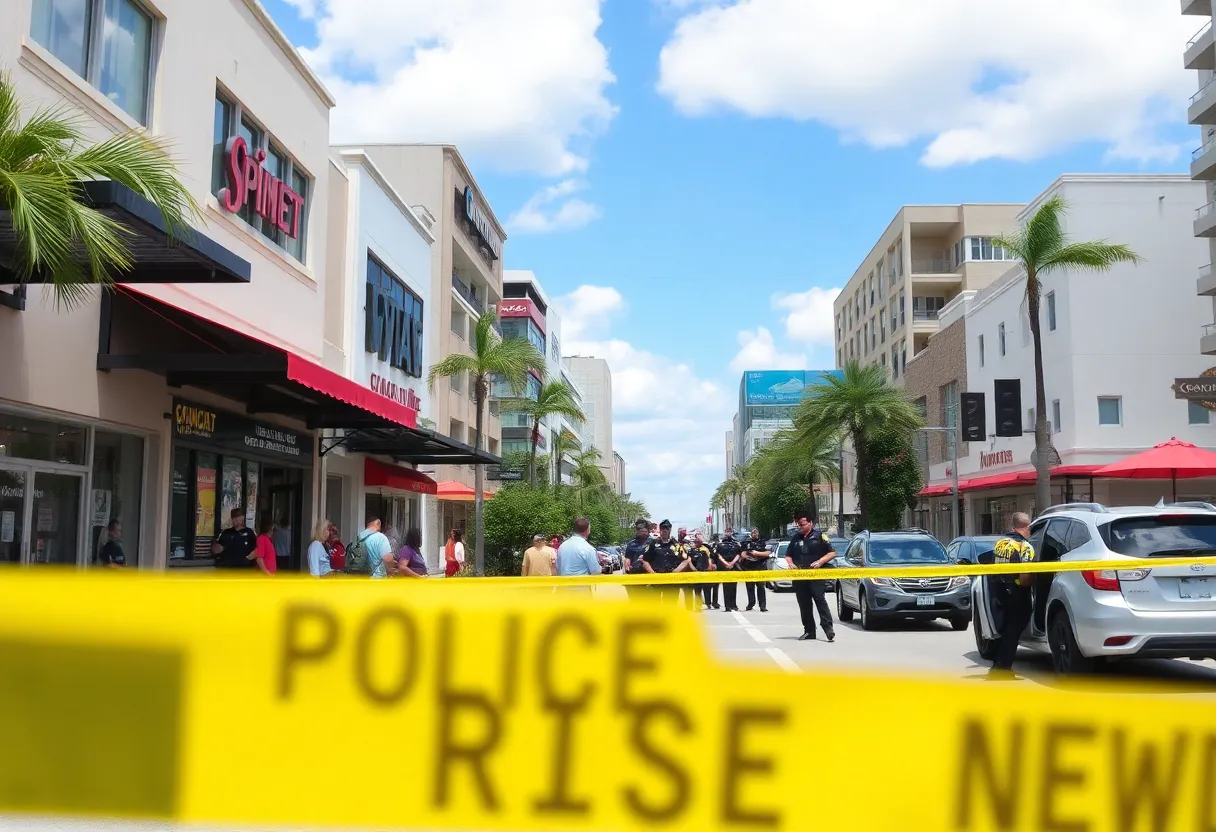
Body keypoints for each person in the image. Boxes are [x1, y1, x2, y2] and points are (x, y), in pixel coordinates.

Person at [990, 512, 1037, 672]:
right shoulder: (1025, 547)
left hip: (1000, 593)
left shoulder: (1001, 544)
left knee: (1003, 630)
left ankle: (997, 665)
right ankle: (1003, 668)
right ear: (1028, 527)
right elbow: (1024, 578)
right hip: (1017, 594)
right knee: (1013, 631)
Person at [786, 506, 836, 641]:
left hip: (816, 575)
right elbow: (788, 555)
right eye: (798, 525)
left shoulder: (820, 536)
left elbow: (832, 552)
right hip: (800, 576)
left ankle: (828, 628)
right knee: (804, 603)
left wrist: (820, 561)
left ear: (810, 523)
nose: (800, 527)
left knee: (820, 600)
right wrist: (790, 563)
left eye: (802, 524)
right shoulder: (795, 538)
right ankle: (809, 631)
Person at [641, 520, 693, 604]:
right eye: (662, 528)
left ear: (670, 530)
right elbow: (644, 560)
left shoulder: (676, 545)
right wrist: (652, 573)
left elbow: (686, 560)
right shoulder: (653, 544)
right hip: (656, 581)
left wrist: (676, 571)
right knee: (654, 608)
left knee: (670, 608)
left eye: (666, 529)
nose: (664, 530)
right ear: (660, 530)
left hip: (671, 582)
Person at [556, 518, 600, 588]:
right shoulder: (588, 548)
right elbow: (596, 571)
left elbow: (557, 568)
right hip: (581, 590)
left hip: (563, 589)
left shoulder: (562, 546)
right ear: (587, 530)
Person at [349, 514, 392, 578]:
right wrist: (390, 572)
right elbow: (388, 559)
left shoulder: (359, 537)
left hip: (360, 578)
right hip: (377, 580)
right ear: (378, 523)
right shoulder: (380, 537)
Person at [715, 527, 743, 612]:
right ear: (725, 532)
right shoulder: (721, 543)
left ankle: (733, 605)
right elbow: (718, 554)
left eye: (730, 531)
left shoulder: (736, 543)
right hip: (724, 567)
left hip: (734, 566)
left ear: (732, 532)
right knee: (726, 586)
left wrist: (732, 563)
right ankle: (727, 606)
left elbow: (739, 554)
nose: (728, 533)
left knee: (733, 586)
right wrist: (726, 563)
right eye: (727, 531)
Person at [742, 528, 770, 612]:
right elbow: (742, 553)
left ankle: (762, 606)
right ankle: (751, 603)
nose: (754, 533)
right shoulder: (746, 543)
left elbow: (768, 553)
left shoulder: (763, 542)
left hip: (760, 567)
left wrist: (756, 553)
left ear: (758, 533)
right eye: (753, 532)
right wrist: (748, 556)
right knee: (750, 587)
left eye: (756, 532)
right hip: (749, 567)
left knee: (761, 587)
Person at [622, 518, 651, 598]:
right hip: (634, 577)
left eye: (644, 532)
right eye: (640, 531)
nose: (642, 534)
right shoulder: (631, 544)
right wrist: (627, 563)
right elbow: (628, 558)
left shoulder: (653, 543)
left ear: (648, 531)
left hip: (649, 578)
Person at [689, 531, 716, 610]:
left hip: (705, 571)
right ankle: (698, 604)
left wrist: (710, 567)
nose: (696, 543)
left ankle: (708, 603)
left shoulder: (705, 549)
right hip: (696, 572)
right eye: (695, 542)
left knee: (707, 588)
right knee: (697, 589)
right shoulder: (693, 550)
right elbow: (690, 560)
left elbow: (709, 559)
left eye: (698, 542)